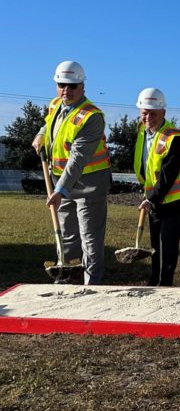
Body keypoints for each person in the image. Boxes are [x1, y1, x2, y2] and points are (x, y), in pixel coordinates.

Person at [32, 60, 111, 285]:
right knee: (66, 235)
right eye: (61, 85)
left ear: (82, 86)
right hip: (60, 181)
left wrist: (60, 190)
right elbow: (50, 123)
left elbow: (78, 158)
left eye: (72, 86)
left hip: (90, 185)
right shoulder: (56, 104)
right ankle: (67, 279)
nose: (66, 90)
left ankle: (91, 284)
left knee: (90, 238)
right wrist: (40, 133)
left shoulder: (92, 116)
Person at [133, 88, 180, 287]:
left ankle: (165, 284)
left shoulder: (174, 137)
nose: (148, 117)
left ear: (163, 113)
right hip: (155, 198)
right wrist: (149, 196)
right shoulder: (143, 133)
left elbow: (169, 174)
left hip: (174, 199)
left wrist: (152, 198)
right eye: (144, 112)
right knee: (155, 246)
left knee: (167, 245)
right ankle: (154, 281)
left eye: (153, 113)